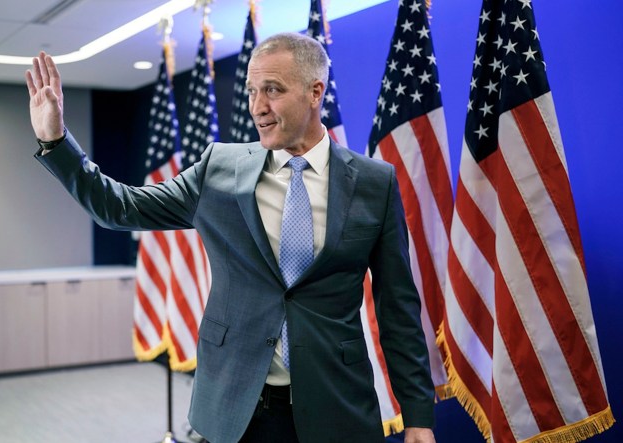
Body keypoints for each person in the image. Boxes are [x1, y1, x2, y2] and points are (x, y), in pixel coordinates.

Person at [26, 32, 436, 443]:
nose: (258, 107)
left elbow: (397, 307)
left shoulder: (373, 182)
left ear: (315, 92)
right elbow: (121, 207)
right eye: (253, 91)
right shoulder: (219, 168)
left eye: (273, 90)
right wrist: (56, 143)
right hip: (236, 408)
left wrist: (418, 416)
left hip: (336, 406)